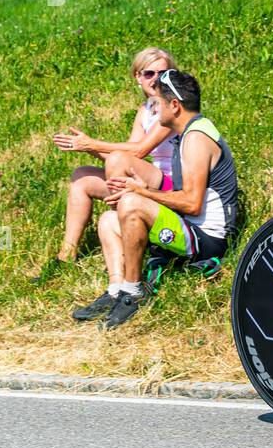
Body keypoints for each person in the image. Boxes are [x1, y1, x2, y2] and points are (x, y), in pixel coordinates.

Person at [74, 69, 240, 329]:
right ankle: (116, 290)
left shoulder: (196, 138)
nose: (154, 110)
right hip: (187, 226)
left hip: (206, 240)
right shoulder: (190, 133)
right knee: (108, 219)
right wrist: (143, 189)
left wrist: (142, 193)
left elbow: (192, 203)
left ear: (174, 105)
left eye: (158, 104)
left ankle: (133, 292)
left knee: (130, 202)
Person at [31, 47, 178, 283]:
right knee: (82, 177)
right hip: (151, 176)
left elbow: (140, 150)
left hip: (171, 183)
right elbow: (131, 158)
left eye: (163, 73)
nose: (155, 79)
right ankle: (65, 256)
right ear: (137, 77)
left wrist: (93, 142)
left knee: (117, 159)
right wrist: (89, 148)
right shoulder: (145, 110)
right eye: (149, 73)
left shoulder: (173, 106)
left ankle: (125, 250)